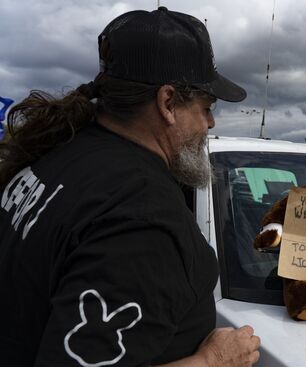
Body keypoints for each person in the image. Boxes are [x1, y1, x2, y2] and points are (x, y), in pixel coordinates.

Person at [0, 7, 260, 367]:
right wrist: (215, 359)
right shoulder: (143, 222)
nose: (210, 122)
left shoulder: (58, 154)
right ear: (167, 102)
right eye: (206, 106)